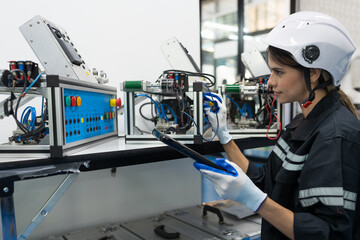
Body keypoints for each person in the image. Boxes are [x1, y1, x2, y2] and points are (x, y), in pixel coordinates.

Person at [195, 11, 360, 239]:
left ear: (312, 72)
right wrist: (225, 136)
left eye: (278, 72)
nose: (270, 81)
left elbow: (329, 233)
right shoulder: (301, 124)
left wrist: (256, 201)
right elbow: (265, 180)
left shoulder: (335, 137)